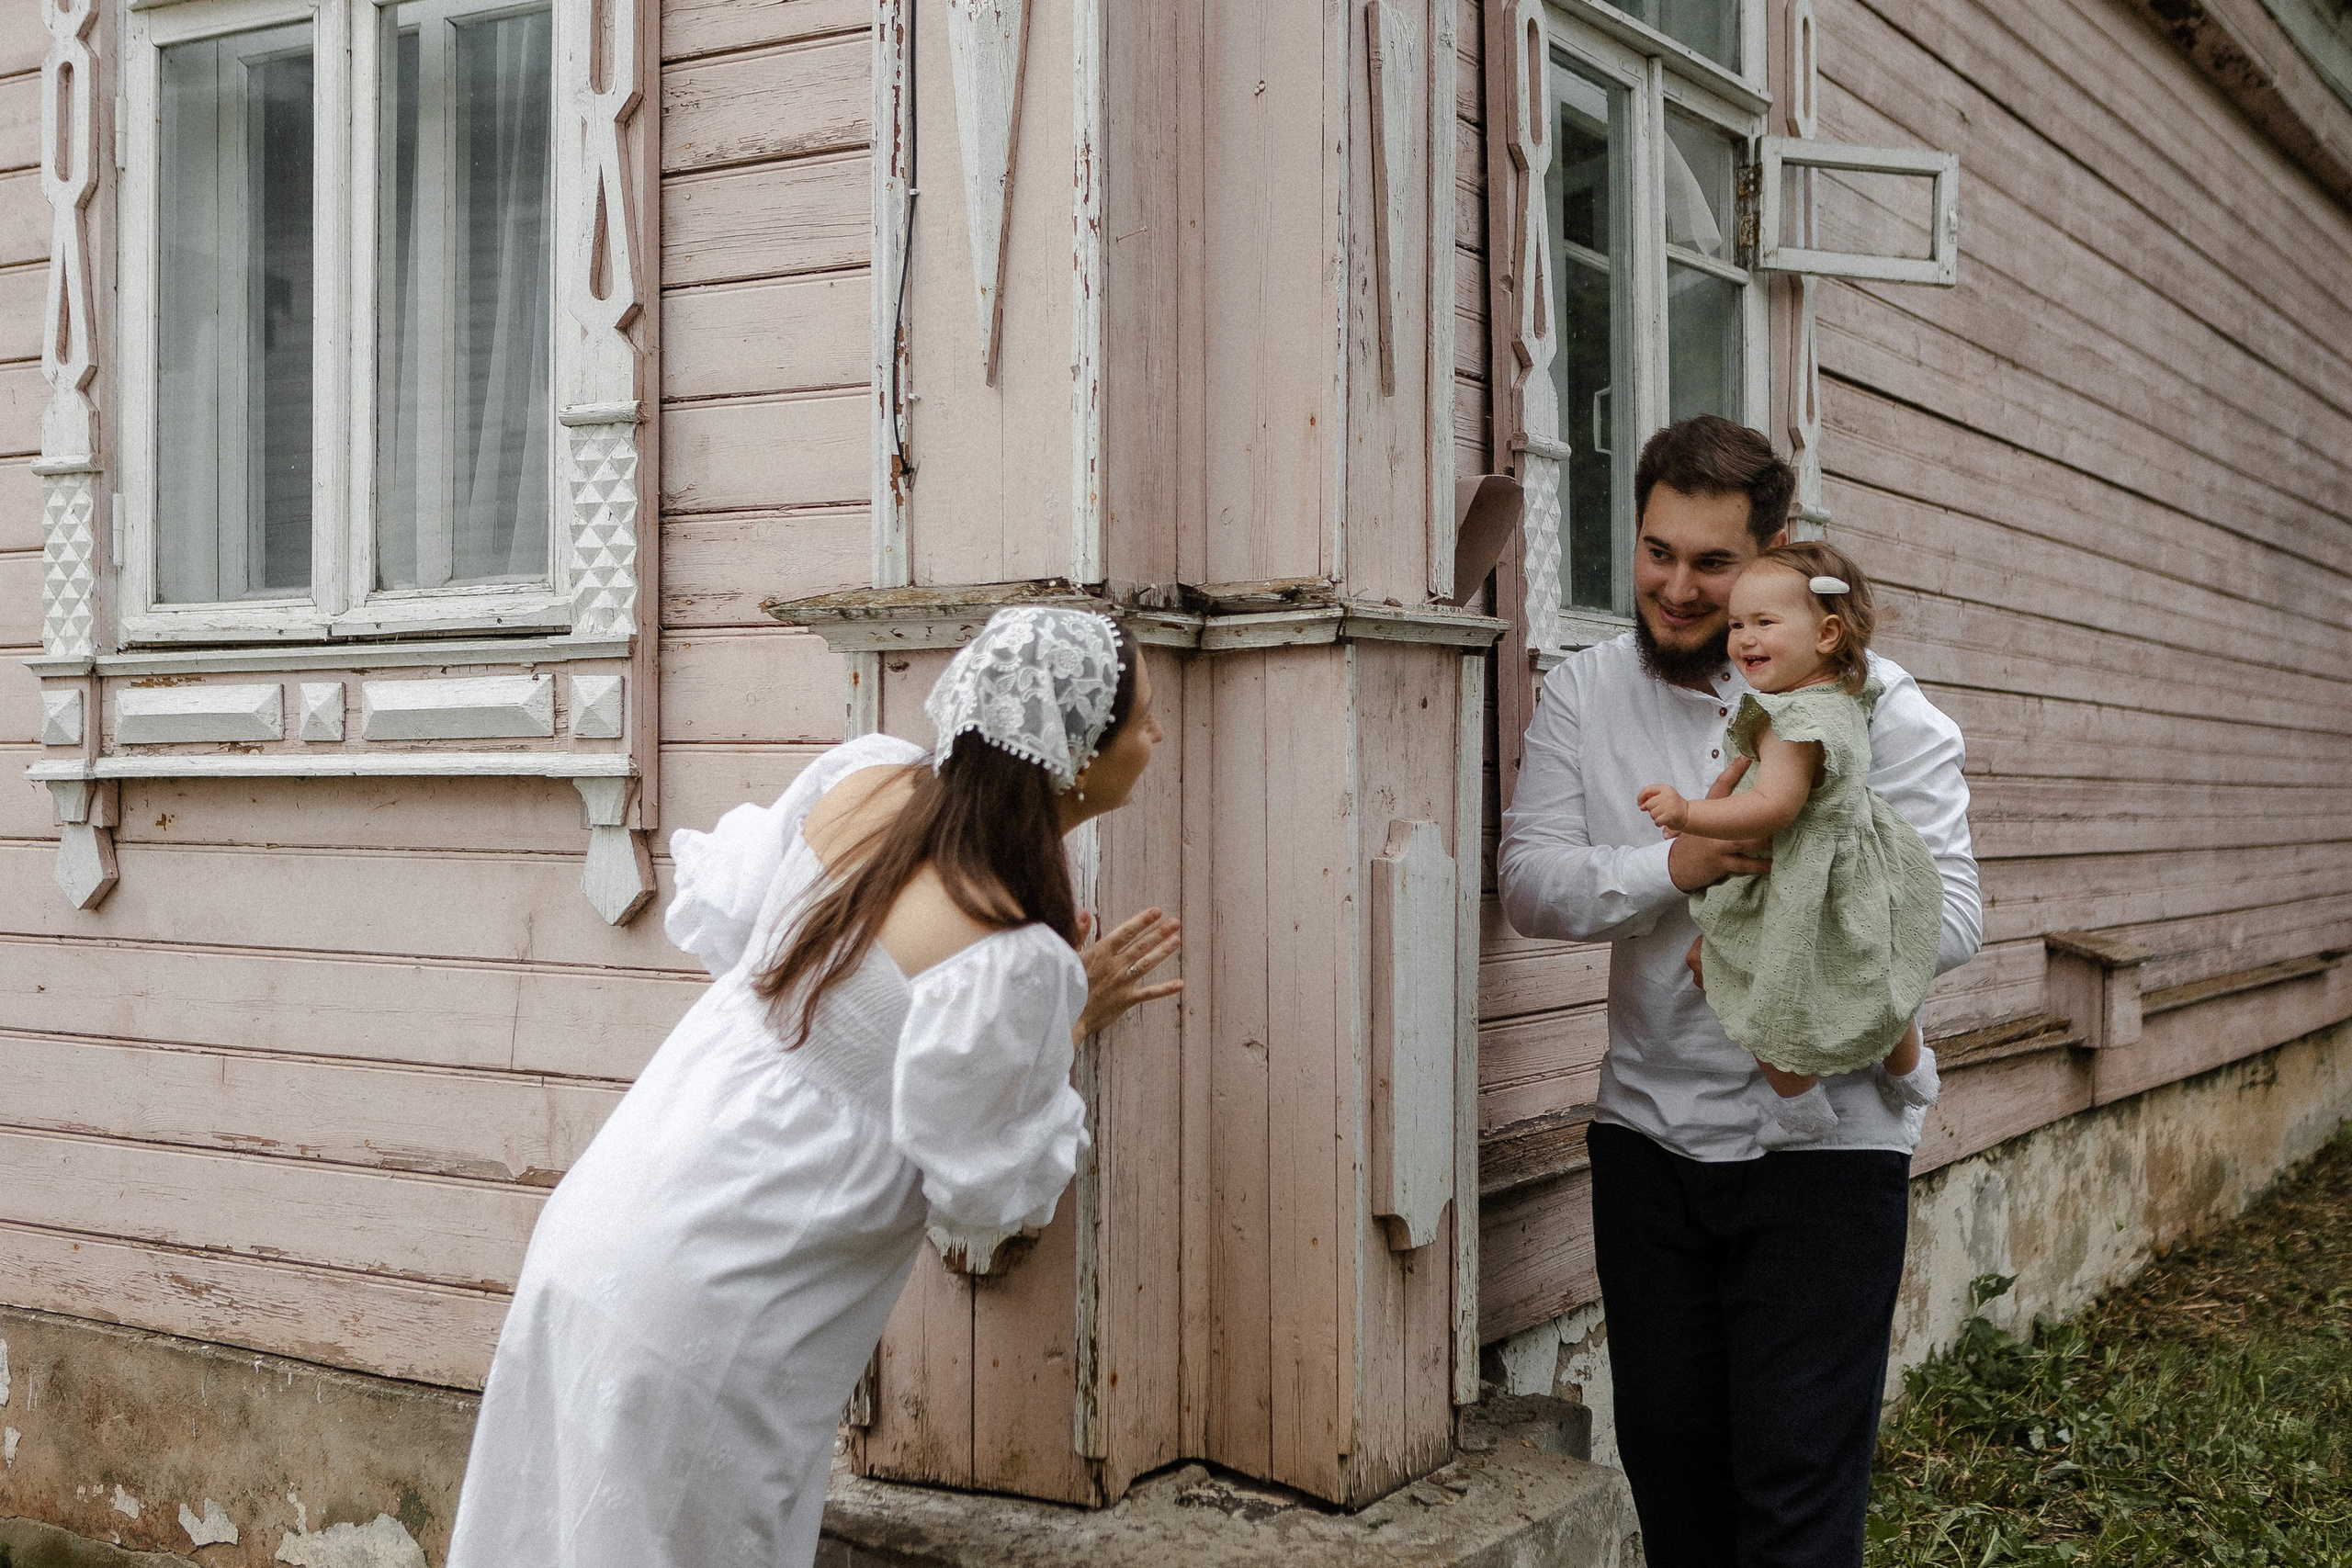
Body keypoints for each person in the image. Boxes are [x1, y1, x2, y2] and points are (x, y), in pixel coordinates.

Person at [446, 606, 1183, 1568]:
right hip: (718, 1313)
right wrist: (1061, 1024)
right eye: (1142, 717)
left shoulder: (868, 781)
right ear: (1074, 754)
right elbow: (985, 1196)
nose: (1157, 733)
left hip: (608, 1223)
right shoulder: (1011, 956)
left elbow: (747, 929)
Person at [1497, 416, 1980, 1567]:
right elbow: (1529, 882)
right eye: (1656, 552)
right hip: (1649, 1141)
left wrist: (1787, 933)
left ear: (1775, 557)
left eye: (1712, 564)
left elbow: (1953, 920)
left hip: (1828, 1148)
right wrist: (1678, 865)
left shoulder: (1879, 705)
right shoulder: (1585, 692)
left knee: (1795, 1498)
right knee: (1675, 1486)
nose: (1675, 589)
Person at [1635, 542, 1945, 1145]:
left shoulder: (1791, 722)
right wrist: (1711, 815)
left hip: (1804, 878)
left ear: (1827, 634)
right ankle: (1911, 1072)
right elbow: (1763, 785)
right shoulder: (1841, 696)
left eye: (1764, 623)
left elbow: (1774, 805)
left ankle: (1802, 1106)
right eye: (1736, 625)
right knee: (1878, 972)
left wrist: (1691, 813)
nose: (1743, 640)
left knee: (1749, 979)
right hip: (1856, 866)